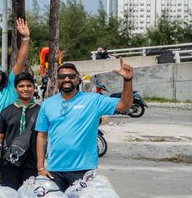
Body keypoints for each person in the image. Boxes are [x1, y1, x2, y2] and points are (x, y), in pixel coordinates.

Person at [36, 60, 134, 190]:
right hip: (54, 169)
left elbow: (124, 105)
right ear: (57, 80)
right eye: (62, 76)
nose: (66, 79)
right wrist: (41, 167)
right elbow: (41, 136)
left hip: (83, 170)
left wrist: (128, 80)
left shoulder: (93, 100)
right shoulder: (47, 104)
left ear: (78, 79)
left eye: (71, 76)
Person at [0, 72, 41, 190]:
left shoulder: (42, 111)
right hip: (9, 163)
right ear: (16, 89)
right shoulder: (6, 112)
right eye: (21, 86)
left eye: (29, 86)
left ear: (34, 88)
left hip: (32, 164)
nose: (25, 89)